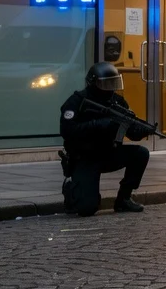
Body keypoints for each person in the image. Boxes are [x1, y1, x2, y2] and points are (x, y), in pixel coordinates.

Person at [59, 62, 150, 217]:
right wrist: (99, 124)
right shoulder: (77, 102)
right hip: (85, 157)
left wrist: (140, 131)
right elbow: (67, 130)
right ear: (93, 83)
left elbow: (129, 132)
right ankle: (72, 191)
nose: (110, 88)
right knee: (86, 209)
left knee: (141, 153)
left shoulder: (117, 102)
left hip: (108, 153)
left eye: (113, 83)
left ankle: (124, 199)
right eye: (106, 84)